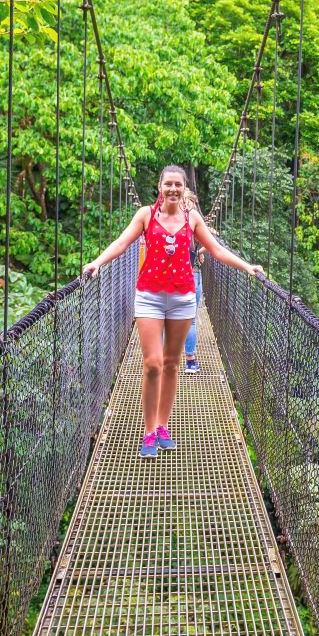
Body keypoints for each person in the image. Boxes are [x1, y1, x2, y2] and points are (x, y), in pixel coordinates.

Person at [82, 164, 262, 458]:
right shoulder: (145, 215)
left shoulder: (192, 219)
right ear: (160, 186)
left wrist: (247, 267)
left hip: (182, 299)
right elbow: (122, 242)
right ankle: (148, 431)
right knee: (152, 363)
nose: (174, 189)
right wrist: (97, 262)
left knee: (172, 364)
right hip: (150, 297)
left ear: (185, 188)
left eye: (179, 185)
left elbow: (216, 250)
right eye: (169, 184)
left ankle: (163, 427)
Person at [182, 188, 205, 374]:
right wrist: (198, 252)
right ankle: (190, 361)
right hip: (194, 274)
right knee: (190, 321)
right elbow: (212, 243)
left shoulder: (169, 219)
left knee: (166, 318)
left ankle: (167, 360)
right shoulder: (195, 219)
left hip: (172, 278)